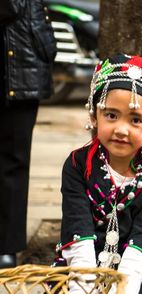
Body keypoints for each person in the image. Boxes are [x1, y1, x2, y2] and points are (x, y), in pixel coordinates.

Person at [55, 54, 142, 294]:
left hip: (131, 269)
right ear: (94, 115)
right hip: (80, 266)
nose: (121, 129)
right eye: (111, 115)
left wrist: (123, 288)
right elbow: (78, 228)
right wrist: (84, 287)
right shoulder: (78, 165)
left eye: (135, 120)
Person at [0, 0, 56, 268]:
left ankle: (6, 246)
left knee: (14, 159)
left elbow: (12, 6)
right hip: (22, 55)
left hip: (22, 61)